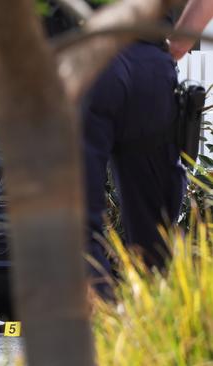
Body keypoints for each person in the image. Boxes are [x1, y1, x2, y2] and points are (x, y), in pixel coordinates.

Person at [84, 0, 213, 296]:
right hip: (150, 62)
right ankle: (158, 323)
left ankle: (98, 324)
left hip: (85, 52)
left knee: (74, 212)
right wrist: (177, 46)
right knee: (156, 226)